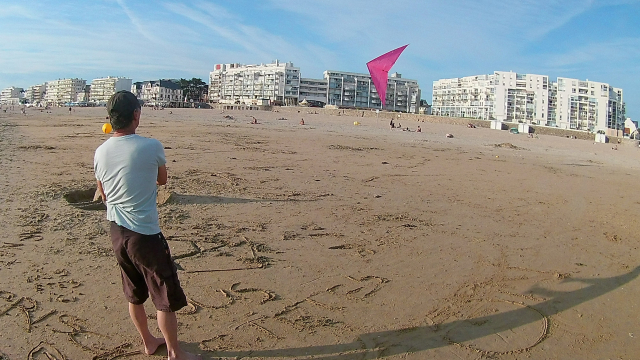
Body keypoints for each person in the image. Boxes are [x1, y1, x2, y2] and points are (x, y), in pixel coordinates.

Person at [94, 91, 201, 360]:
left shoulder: (101, 151)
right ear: (136, 115)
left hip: (117, 233)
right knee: (164, 297)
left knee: (135, 293)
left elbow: (102, 191)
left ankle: (148, 342)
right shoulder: (151, 146)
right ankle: (175, 353)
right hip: (144, 234)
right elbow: (161, 180)